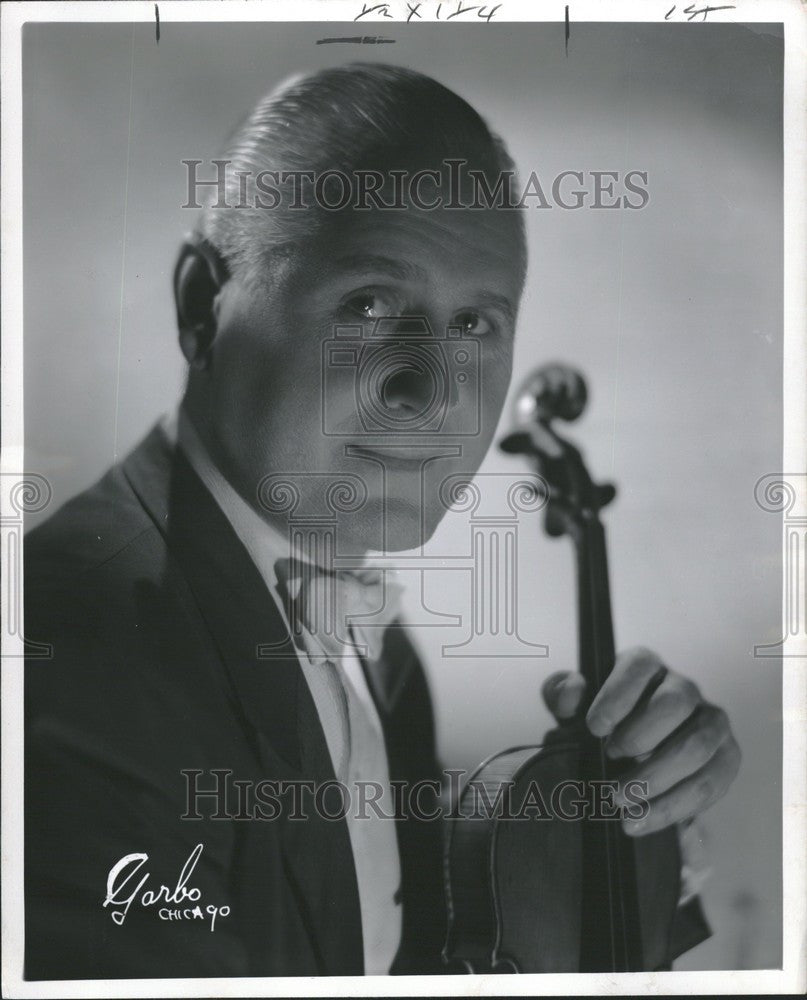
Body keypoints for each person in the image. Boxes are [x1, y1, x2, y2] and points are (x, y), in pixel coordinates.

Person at [24, 63, 739, 979]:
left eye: (475, 324)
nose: (430, 393)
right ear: (202, 305)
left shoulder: (386, 664)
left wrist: (639, 825)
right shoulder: (73, 649)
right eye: (368, 304)